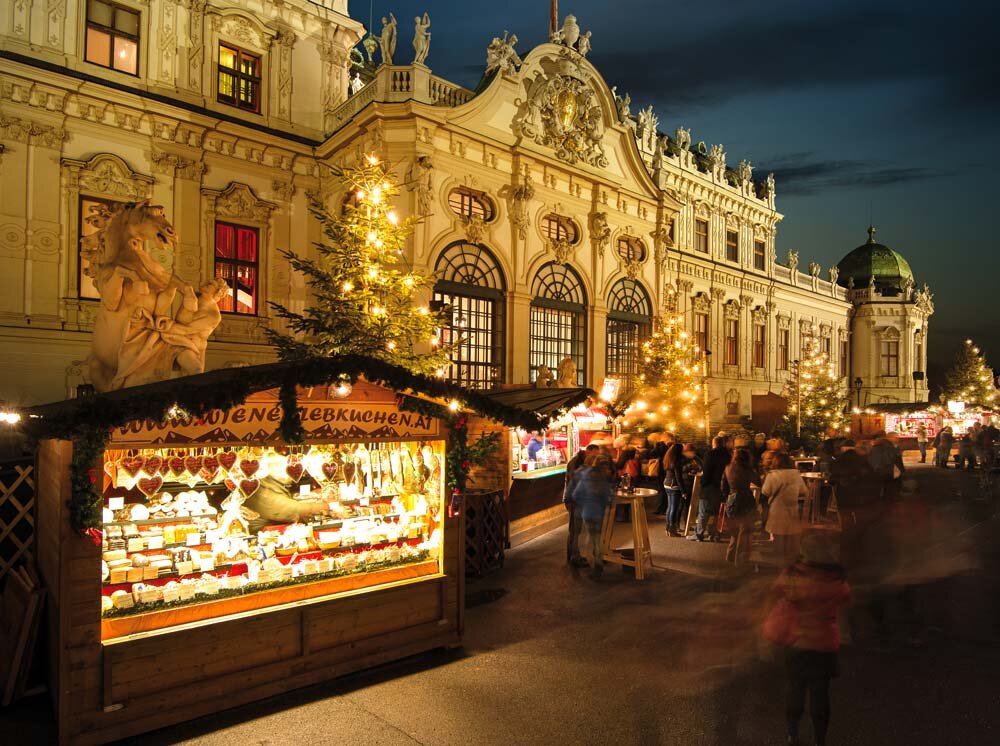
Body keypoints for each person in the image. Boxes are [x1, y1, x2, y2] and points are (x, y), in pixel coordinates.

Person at [764, 532, 851, 746]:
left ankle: (792, 734)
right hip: (825, 645)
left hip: (797, 643)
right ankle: (819, 739)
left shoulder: (792, 575)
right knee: (820, 696)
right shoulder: (837, 581)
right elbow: (845, 603)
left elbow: (773, 593)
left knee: (796, 689)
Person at [570, 452, 615, 578]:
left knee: (591, 538)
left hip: (587, 512)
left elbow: (576, 495)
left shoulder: (585, 476)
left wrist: (585, 502)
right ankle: (598, 563)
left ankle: (595, 563)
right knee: (597, 538)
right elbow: (608, 497)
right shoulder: (603, 480)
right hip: (599, 512)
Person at [762, 453, 808, 565]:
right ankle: (790, 557)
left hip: (777, 508)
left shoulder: (772, 475)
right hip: (792, 508)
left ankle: (779, 557)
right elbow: (804, 491)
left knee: (778, 534)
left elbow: (765, 491)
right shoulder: (796, 475)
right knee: (790, 532)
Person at [563, 444, 598, 567]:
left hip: (577, 500)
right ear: (589, 452)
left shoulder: (582, 463)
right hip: (575, 500)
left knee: (577, 529)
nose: (596, 457)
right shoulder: (577, 464)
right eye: (594, 454)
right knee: (575, 529)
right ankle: (574, 556)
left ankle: (574, 555)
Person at [690, 436, 730, 541]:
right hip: (722, 487)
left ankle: (699, 534)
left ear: (714, 443)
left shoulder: (711, 454)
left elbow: (706, 470)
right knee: (718, 513)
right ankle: (716, 534)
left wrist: (703, 483)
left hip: (709, 487)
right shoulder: (728, 455)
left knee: (703, 511)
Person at [723, 448, 758, 565]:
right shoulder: (747, 470)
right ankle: (740, 560)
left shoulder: (728, 467)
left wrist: (725, 500)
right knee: (744, 530)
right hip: (745, 500)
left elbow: (724, 486)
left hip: (731, 499)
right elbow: (758, 482)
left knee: (735, 531)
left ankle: (730, 555)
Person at [672, 444, 701, 536]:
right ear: (687, 452)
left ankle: (686, 524)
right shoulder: (681, 459)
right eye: (692, 452)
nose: (693, 454)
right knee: (681, 505)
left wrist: (696, 467)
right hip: (684, 484)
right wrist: (690, 466)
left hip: (691, 483)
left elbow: (701, 465)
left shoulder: (695, 458)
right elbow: (680, 471)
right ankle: (677, 525)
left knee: (687, 505)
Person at [868, 436, 904, 501]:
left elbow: (872, 462)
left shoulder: (874, 449)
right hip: (890, 472)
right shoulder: (892, 449)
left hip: (879, 471)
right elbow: (898, 462)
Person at [661, 440, 683, 536]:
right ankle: (672, 530)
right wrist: (683, 491)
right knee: (674, 508)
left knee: (669, 507)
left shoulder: (667, 458)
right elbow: (678, 477)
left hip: (667, 483)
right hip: (673, 485)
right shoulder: (676, 461)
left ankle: (668, 528)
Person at [644, 433, 668, 514]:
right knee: (663, 490)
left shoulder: (660, 445)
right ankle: (662, 508)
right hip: (663, 470)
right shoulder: (663, 445)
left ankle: (662, 508)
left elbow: (651, 454)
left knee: (663, 490)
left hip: (663, 471)